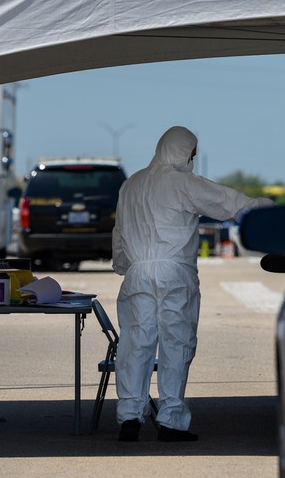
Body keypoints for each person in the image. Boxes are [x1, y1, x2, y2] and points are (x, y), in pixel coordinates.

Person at [111, 125, 273, 442]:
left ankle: (130, 417)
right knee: (176, 344)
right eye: (192, 152)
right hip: (174, 273)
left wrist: (124, 267)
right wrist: (269, 209)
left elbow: (119, 235)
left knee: (135, 345)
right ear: (185, 151)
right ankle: (171, 420)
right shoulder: (182, 183)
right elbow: (230, 203)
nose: (193, 158)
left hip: (137, 274)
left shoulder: (130, 185)